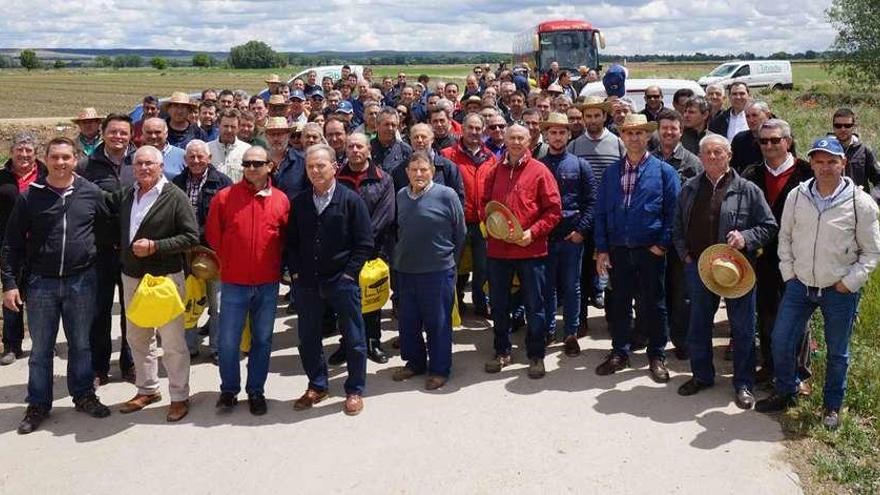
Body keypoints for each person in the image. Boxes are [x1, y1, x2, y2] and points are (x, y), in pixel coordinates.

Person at [756, 138, 880, 430]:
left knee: (837, 352)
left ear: (843, 163)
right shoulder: (798, 196)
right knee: (781, 340)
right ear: (810, 163)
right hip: (800, 285)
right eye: (819, 161)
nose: (825, 167)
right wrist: (789, 273)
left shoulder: (859, 202)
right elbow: (784, 237)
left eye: (831, 161)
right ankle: (787, 390)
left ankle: (831, 405)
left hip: (838, 289)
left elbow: (872, 251)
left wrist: (850, 282)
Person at [3, 137, 112, 434]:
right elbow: (12, 244)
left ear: (76, 159)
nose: (61, 163)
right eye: (55, 157)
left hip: (82, 281)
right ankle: (38, 403)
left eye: (66, 157)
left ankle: (84, 395)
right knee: (41, 350)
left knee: (81, 344)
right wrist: (10, 283)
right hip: (41, 285)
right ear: (46, 159)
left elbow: (107, 231)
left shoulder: (91, 193)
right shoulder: (30, 196)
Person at [673, 134, 777, 409]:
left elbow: (769, 225)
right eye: (706, 152)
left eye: (718, 152)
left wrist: (746, 238)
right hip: (700, 268)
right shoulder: (690, 188)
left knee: (742, 329)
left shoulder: (748, 190)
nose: (712, 157)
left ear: (729, 155)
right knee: (698, 325)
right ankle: (702, 375)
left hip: (737, 271)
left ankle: (743, 384)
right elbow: (677, 226)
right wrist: (684, 254)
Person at [115, 145, 199, 423]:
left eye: (150, 163)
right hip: (132, 277)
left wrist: (155, 246)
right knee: (137, 337)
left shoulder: (175, 197)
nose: (144, 168)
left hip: (165, 279)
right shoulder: (128, 194)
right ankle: (147, 389)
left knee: (172, 341)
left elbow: (190, 237)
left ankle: (179, 396)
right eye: (139, 163)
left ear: (161, 166)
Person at [288, 144, 373, 416]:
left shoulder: (351, 200)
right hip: (308, 283)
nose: (315, 170)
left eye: (321, 165)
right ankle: (317, 385)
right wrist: (297, 274)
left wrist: (349, 275)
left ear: (334, 167)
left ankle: (355, 389)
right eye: (310, 166)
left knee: (354, 338)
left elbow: (364, 243)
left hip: (342, 281)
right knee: (308, 337)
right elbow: (291, 243)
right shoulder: (300, 202)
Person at [594, 114, 679, 381]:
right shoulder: (611, 173)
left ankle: (656, 354)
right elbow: (601, 214)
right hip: (619, 249)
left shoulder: (664, 171)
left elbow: (674, 213)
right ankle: (620, 351)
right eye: (629, 133)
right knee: (619, 302)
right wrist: (602, 249)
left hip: (650, 250)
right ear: (622, 136)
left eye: (639, 133)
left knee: (654, 304)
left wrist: (662, 245)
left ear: (647, 136)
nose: (634, 137)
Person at [205, 146, 288, 415]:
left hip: (267, 283)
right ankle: (229, 389)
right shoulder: (224, 198)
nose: (250, 168)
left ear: (269, 166)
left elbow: (285, 240)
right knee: (228, 341)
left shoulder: (281, 200)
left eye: (256, 163)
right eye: (246, 164)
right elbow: (213, 236)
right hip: (234, 282)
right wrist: (228, 263)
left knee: (262, 340)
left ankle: (256, 390)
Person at [481, 124, 562, 379]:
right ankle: (502, 350)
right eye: (511, 137)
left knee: (534, 304)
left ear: (530, 141)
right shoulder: (495, 170)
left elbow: (554, 211)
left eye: (520, 138)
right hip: (499, 251)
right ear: (504, 140)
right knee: (499, 303)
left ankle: (536, 354)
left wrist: (533, 232)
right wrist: (493, 225)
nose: (515, 142)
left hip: (531, 250)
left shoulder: (540, 171)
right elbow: (485, 204)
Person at [741, 120, 813, 387]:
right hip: (763, 257)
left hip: (800, 256)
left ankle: (799, 373)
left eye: (775, 140)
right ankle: (771, 366)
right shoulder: (751, 174)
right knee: (767, 312)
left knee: (798, 316)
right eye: (764, 141)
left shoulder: (807, 172)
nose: (769, 145)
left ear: (788, 141)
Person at [392, 152, 466, 389]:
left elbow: (460, 232)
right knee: (408, 321)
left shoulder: (447, 195)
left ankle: (439, 368)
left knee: (438, 322)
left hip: (437, 270)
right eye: (413, 170)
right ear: (407, 173)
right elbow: (397, 230)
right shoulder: (402, 196)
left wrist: (449, 261)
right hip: (406, 269)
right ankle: (415, 363)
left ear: (432, 171)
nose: (418, 174)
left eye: (423, 169)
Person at [79, 113, 138, 385]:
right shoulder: (87, 166)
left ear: (131, 135)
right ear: (103, 133)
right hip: (100, 250)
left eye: (123, 133)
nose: (118, 137)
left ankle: (130, 362)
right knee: (99, 311)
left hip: (132, 251)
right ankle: (99, 367)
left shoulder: (138, 162)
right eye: (113, 132)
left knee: (132, 312)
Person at [538, 113, 595, 355]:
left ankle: (571, 332)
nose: (558, 136)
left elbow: (592, 202)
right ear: (546, 135)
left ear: (569, 134)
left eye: (562, 132)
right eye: (553, 132)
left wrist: (581, 231)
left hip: (572, 237)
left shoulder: (580, 165)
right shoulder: (537, 165)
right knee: (547, 287)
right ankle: (549, 329)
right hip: (546, 238)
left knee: (572, 287)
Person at [172, 140, 232, 361]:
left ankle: (217, 348)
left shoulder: (223, 183)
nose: (196, 161)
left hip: (213, 252)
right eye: (191, 157)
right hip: (185, 253)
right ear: (185, 160)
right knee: (188, 301)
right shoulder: (176, 183)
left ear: (209, 158)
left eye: (200, 157)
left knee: (217, 303)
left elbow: (229, 219)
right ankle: (189, 347)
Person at [652, 108, 703, 359]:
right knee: (655, 291)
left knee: (681, 293)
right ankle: (655, 337)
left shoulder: (693, 163)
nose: (669, 132)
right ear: (658, 131)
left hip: (681, 239)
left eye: (674, 128)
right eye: (665, 128)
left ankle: (681, 340)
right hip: (653, 237)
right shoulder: (649, 160)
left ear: (681, 131)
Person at [568, 96, 624, 316]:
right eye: (588, 116)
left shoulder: (618, 143)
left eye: (596, 115)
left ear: (605, 116)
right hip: (584, 216)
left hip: (610, 216)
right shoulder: (574, 145)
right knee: (581, 271)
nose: (592, 120)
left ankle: (613, 317)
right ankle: (580, 319)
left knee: (611, 268)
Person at [442, 114, 497, 315]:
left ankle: (481, 305)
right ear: (462, 129)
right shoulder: (447, 155)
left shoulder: (491, 158)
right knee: (453, 267)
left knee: (483, 268)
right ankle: (453, 304)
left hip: (482, 222)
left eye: (478, 128)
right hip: (456, 222)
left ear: (483, 131)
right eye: (470, 128)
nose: (474, 132)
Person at [0, 133, 45, 366]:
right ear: (11, 152)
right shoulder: (2, 178)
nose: (24, 154)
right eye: (20, 150)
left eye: (29, 150)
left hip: (41, 245)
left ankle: (42, 343)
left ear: (36, 153)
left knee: (40, 296)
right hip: (11, 243)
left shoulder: (47, 174)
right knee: (11, 293)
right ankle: (12, 345)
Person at [398, 123, 464, 201]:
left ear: (432, 139)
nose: (419, 140)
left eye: (423, 137)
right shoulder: (401, 169)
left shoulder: (448, 167)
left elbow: (458, 198)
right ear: (410, 140)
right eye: (416, 137)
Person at [830, 107, 880, 195]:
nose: (843, 129)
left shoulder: (864, 150)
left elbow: (878, 179)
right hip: (831, 204)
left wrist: (872, 199)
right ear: (833, 127)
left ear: (854, 127)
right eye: (838, 125)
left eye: (847, 125)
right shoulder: (825, 150)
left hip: (858, 205)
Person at [208, 108, 251, 181]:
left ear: (239, 127)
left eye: (233, 127)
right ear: (218, 125)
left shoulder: (247, 150)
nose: (229, 130)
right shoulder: (207, 149)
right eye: (226, 126)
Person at [730, 100, 772, 173]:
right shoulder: (739, 139)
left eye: (755, 115)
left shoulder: (779, 138)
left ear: (767, 115)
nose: (751, 120)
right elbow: (732, 168)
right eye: (747, 116)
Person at [371, 107, 412, 175]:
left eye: (393, 125)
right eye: (386, 124)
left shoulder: (405, 150)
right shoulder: (368, 148)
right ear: (377, 125)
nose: (390, 128)